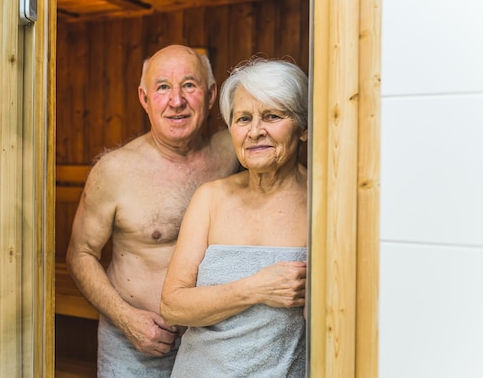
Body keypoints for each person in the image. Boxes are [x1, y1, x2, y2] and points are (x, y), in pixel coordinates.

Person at [66, 44, 241, 377]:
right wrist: (126, 319)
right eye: (163, 88)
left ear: (211, 93)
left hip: (211, 343)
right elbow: (80, 254)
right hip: (135, 346)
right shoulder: (114, 170)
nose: (176, 101)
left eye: (189, 85)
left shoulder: (231, 152)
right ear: (144, 98)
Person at [160, 57, 309, 378]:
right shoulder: (210, 198)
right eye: (243, 119)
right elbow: (173, 305)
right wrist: (256, 288)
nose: (255, 131)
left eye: (272, 115)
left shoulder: (322, 203)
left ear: (304, 128)